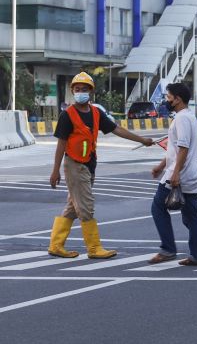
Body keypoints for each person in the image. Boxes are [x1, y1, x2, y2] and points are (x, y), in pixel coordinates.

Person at [48, 72, 153, 259]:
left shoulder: (96, 113)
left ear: (91, 92)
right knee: (86, 207)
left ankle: (56, 245)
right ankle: (94, 248)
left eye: (84, 89)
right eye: (77, 89)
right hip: (74, 164)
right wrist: (55, 171)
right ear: (72, 91)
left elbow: (117, 129)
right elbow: (61, 144)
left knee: (74, 206)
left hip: (89, 164)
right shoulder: (68, 115)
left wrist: (142, 139)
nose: (81, 92)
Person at [148, 83, 197, 266]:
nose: (166, 100)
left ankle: (168, 249)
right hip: (190, 173)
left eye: (168, 97)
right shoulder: (188, 116)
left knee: (157, 207)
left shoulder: (182, 119)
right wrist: (160, 166)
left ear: (178, 99)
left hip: (180, 174)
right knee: (191, 216)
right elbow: (174, 150)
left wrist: (174, 173)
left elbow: (183, 148)